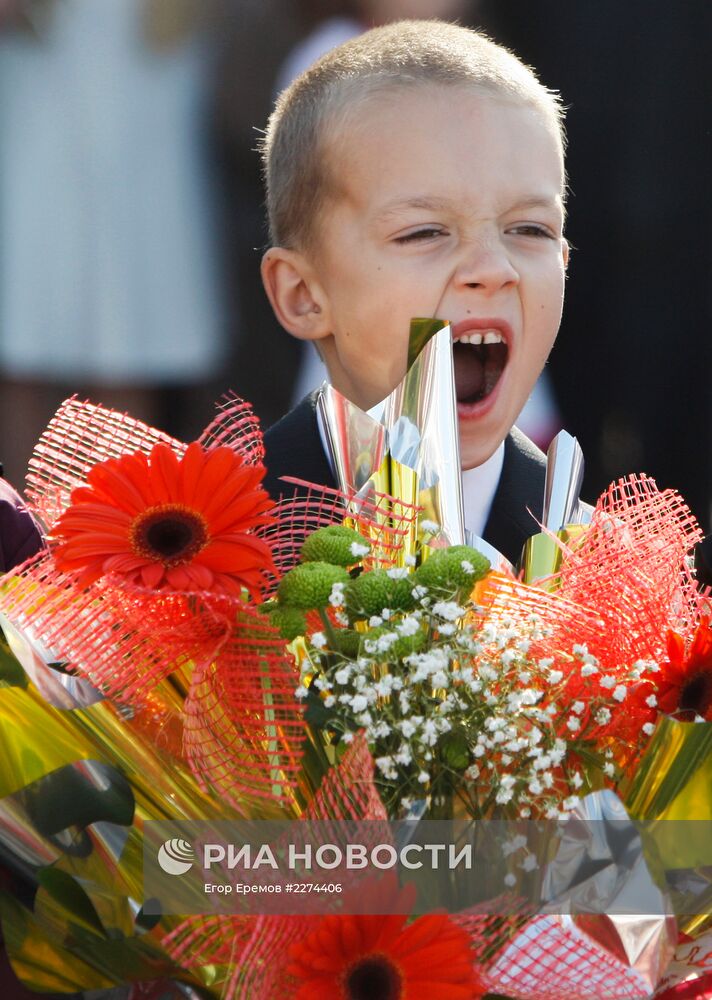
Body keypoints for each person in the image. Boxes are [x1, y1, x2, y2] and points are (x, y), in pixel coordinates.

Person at [258, 20, 569, 565]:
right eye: (424, 232)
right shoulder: (202, 554)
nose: (493, 269)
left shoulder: (609, 566)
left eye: (529, 230)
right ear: (304, 293)